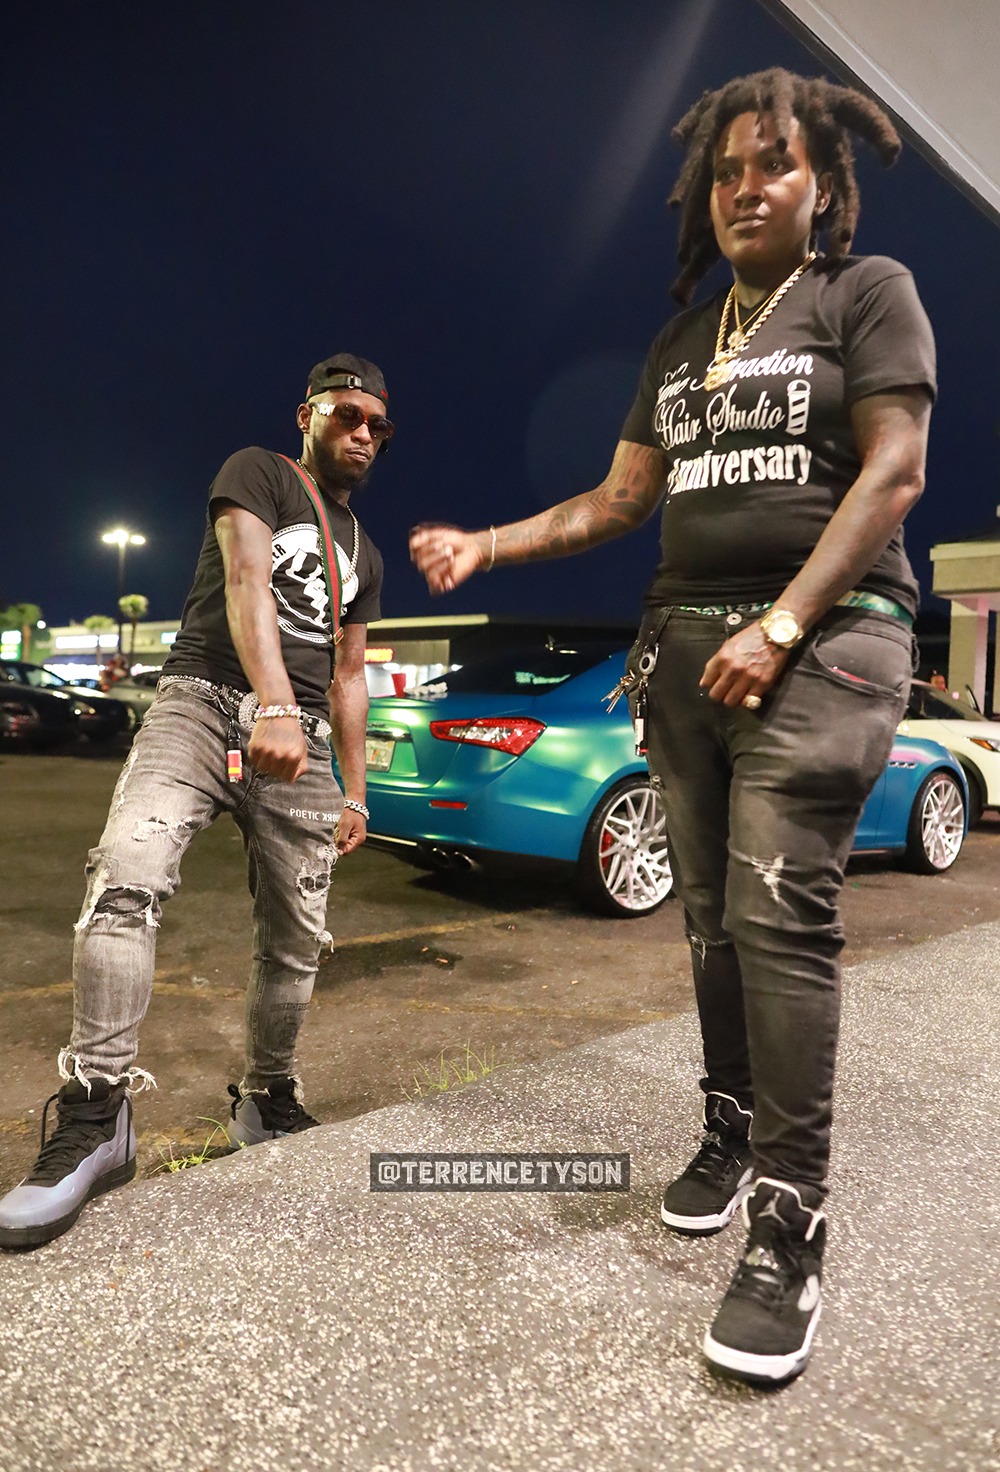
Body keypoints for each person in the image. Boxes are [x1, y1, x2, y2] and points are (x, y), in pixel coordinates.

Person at [410, 71, 934, 1385]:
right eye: (726, 172)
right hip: (685, 643)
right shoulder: (684, 341)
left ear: (821, 184)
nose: (745, 187)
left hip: (831, 631)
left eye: (773, 164)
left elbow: (894, 469)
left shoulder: (865, 295)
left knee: (778, 904)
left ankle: (791, 1226)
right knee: (707, 915)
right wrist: (487, 544)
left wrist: (785, 623)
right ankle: (731, 1125)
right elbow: (616, 499)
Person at [0, 352, 389, 1250]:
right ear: (306, 414)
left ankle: (267, 1096)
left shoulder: (365, 551)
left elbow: (352, 674)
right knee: (126, 873)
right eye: (346, 414)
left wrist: (357, 792)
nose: (364, 432)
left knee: (297, 935)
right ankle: (98, 1115)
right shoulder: (259, 472)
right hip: (203, 700)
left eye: (378, 423)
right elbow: (248, 578)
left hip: (304, 740)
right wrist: (274, 703)